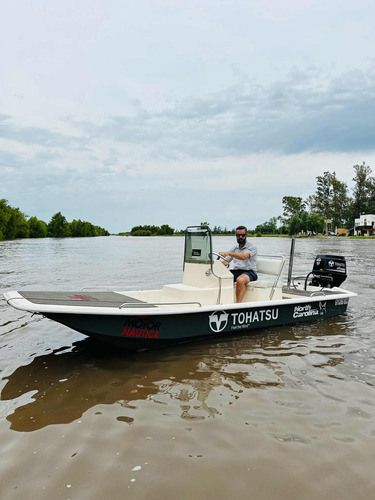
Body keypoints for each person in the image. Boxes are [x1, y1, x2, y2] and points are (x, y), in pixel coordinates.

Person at [219, 225, 257, 303]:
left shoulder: (252, 247)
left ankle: (238, 305)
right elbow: (226, 262)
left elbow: (243, 257)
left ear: (246, 235)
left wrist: (229, 253)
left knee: (240, 280)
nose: (240, 237)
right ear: (235, 236)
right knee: (220, 277)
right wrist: (215, 264)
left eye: (242, 235)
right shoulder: (234, 248)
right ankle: (222, 301)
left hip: (249, 272)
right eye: (238, 235)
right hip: (237, 271)